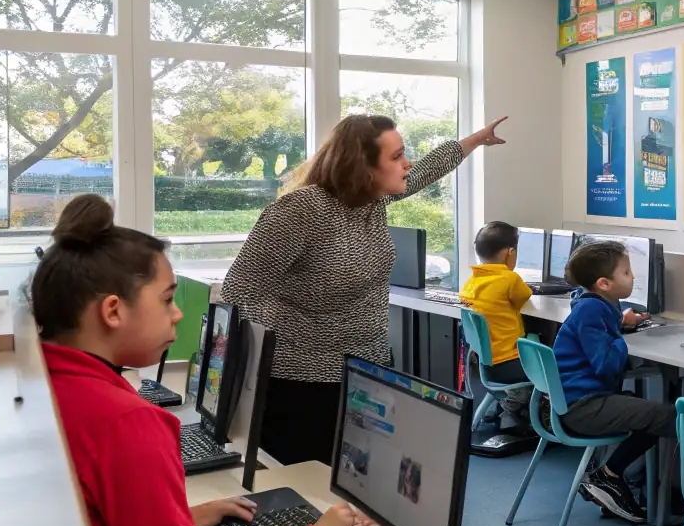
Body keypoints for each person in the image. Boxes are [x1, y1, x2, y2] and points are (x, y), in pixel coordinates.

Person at [30, 195, 365, 526]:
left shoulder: (47, 383)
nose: (178, 314)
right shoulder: (127, 421)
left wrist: (179, 522)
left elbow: (98, 524)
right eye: (167, 299)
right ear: (113, 311)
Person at [222, 112, 507, 465]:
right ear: (363, 167)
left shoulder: (371, 200)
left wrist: (474, 140)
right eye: (396, 156)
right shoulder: (302, 210)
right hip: (303, 382)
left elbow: (423, 172)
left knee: (363, 488)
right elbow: (238, 290)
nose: (407, 163)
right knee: (306, 493)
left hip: (368, 368)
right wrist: (243, 374)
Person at [553, 240, 672, 524]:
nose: (633, 278)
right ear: (605, 283)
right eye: (627, 272)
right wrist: (619, 336)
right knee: (669, 416)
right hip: (583, 407)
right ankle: (609, 477)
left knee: (651, 412)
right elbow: (606, 366)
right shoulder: (591, 311)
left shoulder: (591, 305)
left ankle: (611, 477)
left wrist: (618, 324)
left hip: (577, 400)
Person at [459, 220, 532, 423]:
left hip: (485, 361)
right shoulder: (510, 279)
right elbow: (523, 297)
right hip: (508, 362)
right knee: (551, 361)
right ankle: (510, 407)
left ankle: (504, 404)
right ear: (510, 253)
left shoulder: (472, 281)